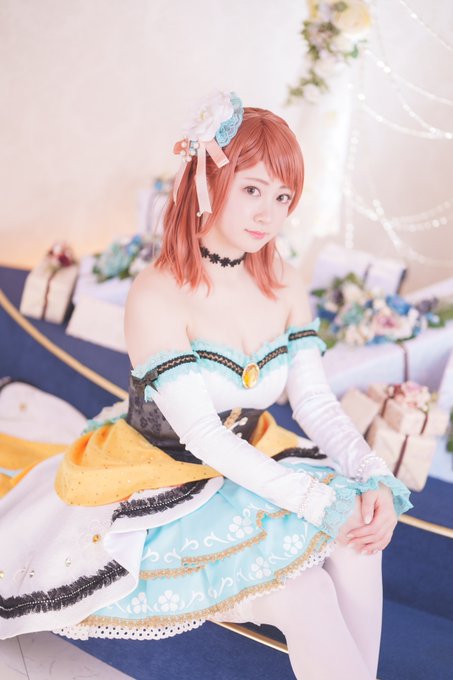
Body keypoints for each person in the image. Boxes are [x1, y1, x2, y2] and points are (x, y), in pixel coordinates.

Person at [0, 91, 412, 680]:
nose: (267, 214)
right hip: (163, 471)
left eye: (283, 197)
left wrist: (372, 474)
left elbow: (314, 400)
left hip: (253, 455)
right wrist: (321, 504)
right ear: (210, 181)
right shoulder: (157, 292)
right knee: (308, 594)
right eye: (252, 189)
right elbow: (201, 436)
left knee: (360, 543)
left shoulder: (284, 281)